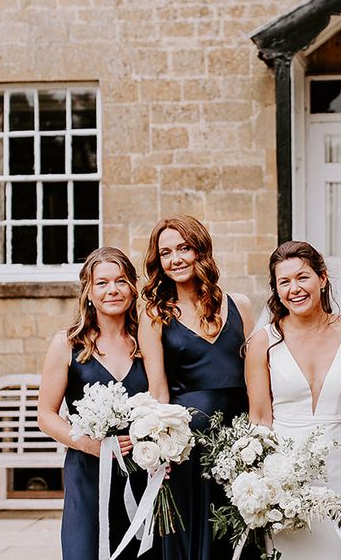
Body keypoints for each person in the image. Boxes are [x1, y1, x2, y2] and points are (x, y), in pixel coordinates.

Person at [137, 215, 255, 560]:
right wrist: (160, 452)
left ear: (200, 250)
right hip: (187, 449)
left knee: (235, 534)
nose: (175, 259)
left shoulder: (240, 305)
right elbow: (158, 391)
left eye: (183, 248)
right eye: (165, 253)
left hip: (239, 444)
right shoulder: (155, 314)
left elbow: (255, 381)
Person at [245, 240, 341, 560]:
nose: (294, 288)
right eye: (284, 282)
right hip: (285, 472)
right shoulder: (263, 342)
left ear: (322, 278)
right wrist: (261, 485)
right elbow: (259, 419)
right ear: (276, 290)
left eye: (302, 277)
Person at [37, 246, 155, 560]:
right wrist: (88, 444)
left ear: (132, 289)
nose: (112, 290)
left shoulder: (149, 342)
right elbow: (46, 414)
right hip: (87, 473)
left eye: (120, 281)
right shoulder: (67, 343)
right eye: (101, 283)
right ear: (89, 292)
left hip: (142, 473)